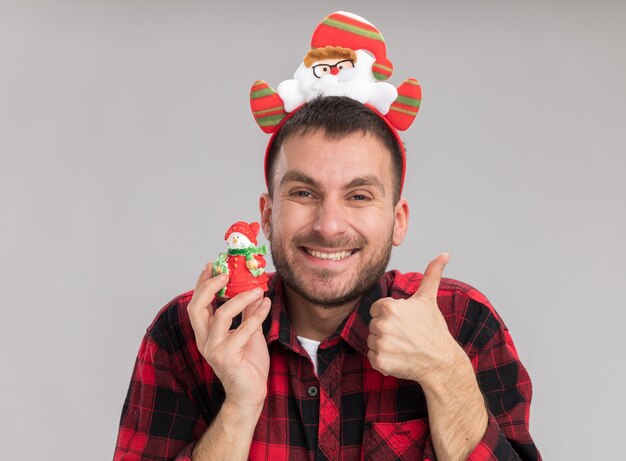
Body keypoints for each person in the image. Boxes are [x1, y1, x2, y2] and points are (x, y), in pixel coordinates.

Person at [114, 11, 541, 461]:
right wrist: (240, 406)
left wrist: (446, 373)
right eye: (303, 192)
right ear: (267, 213)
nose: (329, 225)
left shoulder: (459, 322)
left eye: (358, 196)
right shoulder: (187, 333)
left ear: (398, 220)